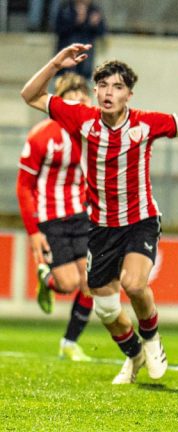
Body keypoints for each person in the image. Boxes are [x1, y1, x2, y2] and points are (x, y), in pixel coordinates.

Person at [21, 43, 178, 384]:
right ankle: (135, 356)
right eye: (104, 86)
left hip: (140, 220)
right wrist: (56, 63)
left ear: (129, 94)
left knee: (134, 283)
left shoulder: (145, 124)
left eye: (117, 87)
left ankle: (153, 340)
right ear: (95, 91)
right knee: (107, 309)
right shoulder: (80, 119)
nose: (109, 93)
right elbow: (30, 95)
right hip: (100, 227)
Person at [16, 72, 94, 362]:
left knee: (93, 282)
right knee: (68, 283)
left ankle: (69, 342)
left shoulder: (92, 135)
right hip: (51, 219)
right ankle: (47, 278)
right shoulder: (42, 135)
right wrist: (33, 230)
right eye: (72, 96)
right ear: (58, 103)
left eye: (83, 95)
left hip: (82, 217)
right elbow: (23, 186)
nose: (80, 101)